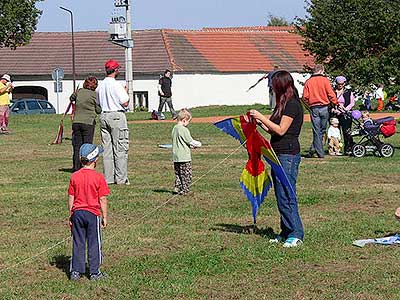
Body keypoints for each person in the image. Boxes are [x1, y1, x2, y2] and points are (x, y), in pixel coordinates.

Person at [249, 70, 304, 248]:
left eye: (273, 84)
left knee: (288, 194)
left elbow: (281, 130)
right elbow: (273, 130)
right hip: (277, 153)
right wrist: (260, 123)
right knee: (281, 194)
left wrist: (261, 117)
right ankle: (286, 231)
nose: (271, 87)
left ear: (280, 84)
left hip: (288, 155)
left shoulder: (293, 105)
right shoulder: (282, 103)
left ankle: (296, 233)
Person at [68, 143, 110, 281]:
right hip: (93, 214)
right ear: (95, 159)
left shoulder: (74, 176)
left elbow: (71, 197)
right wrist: (105, 216)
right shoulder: (98, 178)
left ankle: (75, 271)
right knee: (94, 242)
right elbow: (102, 199)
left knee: (78, 242)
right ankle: (94, 272)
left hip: (77, 213)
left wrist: (71, 214)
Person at [96, 59, 130, 185]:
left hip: (104, 115)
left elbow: (98, 103)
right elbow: (125, 102)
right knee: (120, 147)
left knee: (107, 149)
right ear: (115, 70)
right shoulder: (116, 85)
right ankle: (121, 178)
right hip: (116, 115)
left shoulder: (100, 85)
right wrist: (125, 91)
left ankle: (108, 178)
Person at [303, 64, 338, 158]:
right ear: (321, 70)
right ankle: (319, 152)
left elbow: (305, 97)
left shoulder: (308, 82)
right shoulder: (325, 80)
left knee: (316, 130)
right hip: (324, 107)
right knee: (322, 130)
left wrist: (308, 105)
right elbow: (330, 94)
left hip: (314, 108)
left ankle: (314, 149)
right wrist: (334, 103)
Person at [71, 76, 102, 172]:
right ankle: (85, 167)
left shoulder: (79, 91)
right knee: (87, 146)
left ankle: (76, 167)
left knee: (77, 146)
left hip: (76, 122)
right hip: (88, 122)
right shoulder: (94, 95)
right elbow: (98, 110)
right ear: (95, 85)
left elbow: (71, 98)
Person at [172, 108, 201, 195]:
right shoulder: (184, 130)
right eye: (188, 121)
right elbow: (190, 141)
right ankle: (185, 190)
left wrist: (190, 146)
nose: (188, 124)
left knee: (178, 174)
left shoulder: (174, 128)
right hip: (184, 157)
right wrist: (198, 144)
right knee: (186, 174)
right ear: (184, 120)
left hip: (176, 157)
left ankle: (177, 187)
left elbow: (181, 141)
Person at [333, 76, 355, 154]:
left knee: (347, 132)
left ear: (344, 83)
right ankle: (335, 149)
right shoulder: (333, 92)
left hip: (346, 115)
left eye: (342, 84)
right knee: (335, 133)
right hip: (336, 115)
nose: (340, 85)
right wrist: (334, 110)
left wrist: (345, 109)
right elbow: (330, 102)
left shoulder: (348, 92)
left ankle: (348, 148)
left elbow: (352, 103)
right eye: (339, 84)